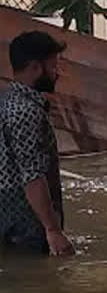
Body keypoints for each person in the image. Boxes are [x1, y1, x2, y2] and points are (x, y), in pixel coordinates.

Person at [0, 31, 73, 256]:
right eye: (53, 66)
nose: (57, 73)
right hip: (24, 223)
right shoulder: (26, 112)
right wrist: (52, 230)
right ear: (35, 68)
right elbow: (32, 176)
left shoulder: (8, 101)